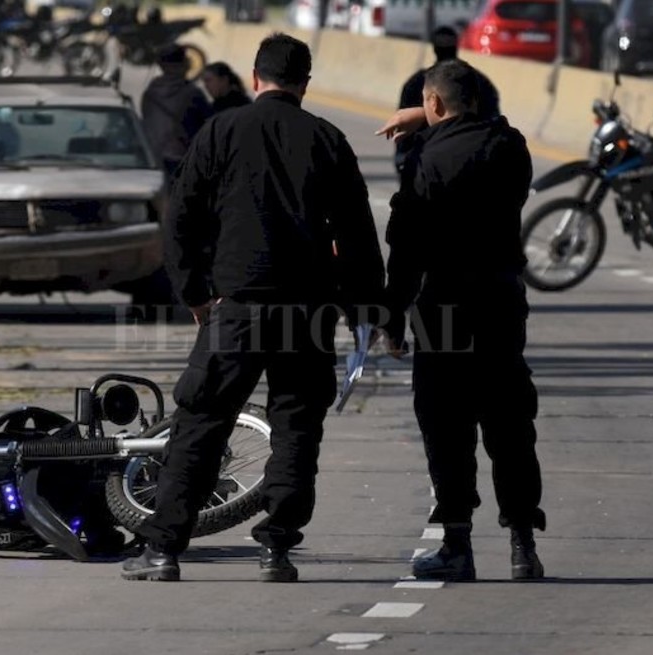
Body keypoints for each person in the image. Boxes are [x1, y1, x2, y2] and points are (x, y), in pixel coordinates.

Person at [121, 32, 386, 583]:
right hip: (307, 312)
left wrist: (194, 293)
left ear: (256, 77)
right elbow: (358, 235)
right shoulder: (327, 139)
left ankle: (164, 549)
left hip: (237, 306)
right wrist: (363, 309)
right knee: (297, 426)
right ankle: (277, 548)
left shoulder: (222, 130)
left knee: (201, 423)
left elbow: (180, 218)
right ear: (304, 84)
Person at [377, 59, 545, 581]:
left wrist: (391, 317)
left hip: (443, 307)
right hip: (499, 303)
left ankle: (457, 544)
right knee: (509, 422)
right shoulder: (510, 148)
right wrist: (434, 116)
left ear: (433, 103)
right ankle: (522, 546)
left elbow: (406, 249)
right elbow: (494, 128)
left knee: (446, 425)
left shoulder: (426, 158)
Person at [393, 26, 500, 174]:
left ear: (434, 48)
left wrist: (404, 159)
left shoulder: (416, 83)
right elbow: (494, 124)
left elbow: (403, 129)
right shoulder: (480, 82)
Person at [140, 44, 214, 185]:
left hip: (153, 159)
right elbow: (208, 126)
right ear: (184, 65)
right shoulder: (192, 94)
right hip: (181, 159)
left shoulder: (150, 93)